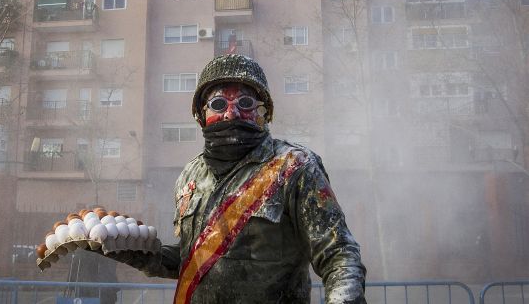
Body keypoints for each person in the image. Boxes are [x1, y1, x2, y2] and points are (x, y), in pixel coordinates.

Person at [109, 54, 366, 303]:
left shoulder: (295, 167)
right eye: (219, 104)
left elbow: (339, 255)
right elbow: (195, 260)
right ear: (201, 115)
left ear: (264, 114)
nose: (231, 114)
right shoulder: (191, 175)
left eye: (245, 103)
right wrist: (136, 252)